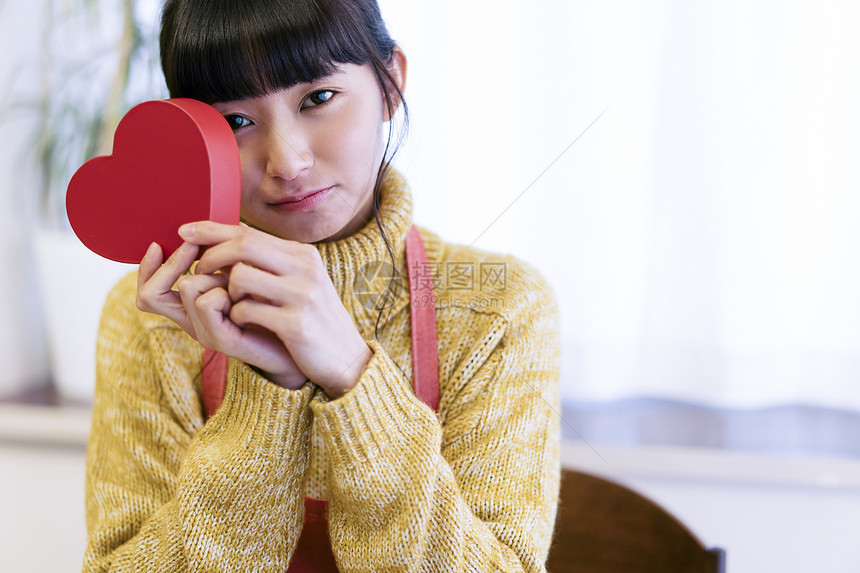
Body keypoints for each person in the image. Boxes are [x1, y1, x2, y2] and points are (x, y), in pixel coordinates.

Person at [83, 0, 561, 571]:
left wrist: (352, 374)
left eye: (317, 99)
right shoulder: (153, 315)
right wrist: (268, 390)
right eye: (236, 121)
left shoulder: (499, 308)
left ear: (391, 83)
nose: (286, 162)